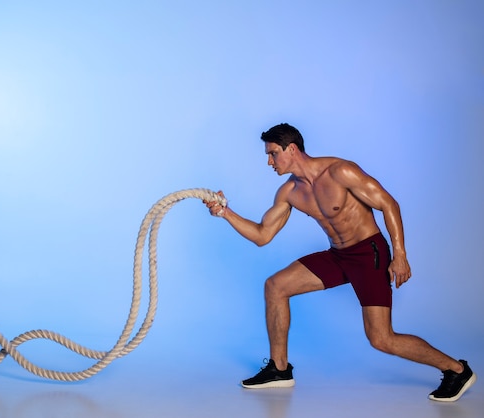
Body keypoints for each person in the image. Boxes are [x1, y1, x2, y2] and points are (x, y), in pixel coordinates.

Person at [203, 123, 476, 402]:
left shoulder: (340, 171)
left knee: (381, 339)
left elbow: (388, 204)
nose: (269, 161)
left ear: (292, 149)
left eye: (272, 154)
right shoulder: (289, 192)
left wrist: (400, 255)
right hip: (338, 254)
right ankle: (279, 369)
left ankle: (457, 369)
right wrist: (226, 213)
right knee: (275, 286)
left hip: (369, 253)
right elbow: (262, 235)